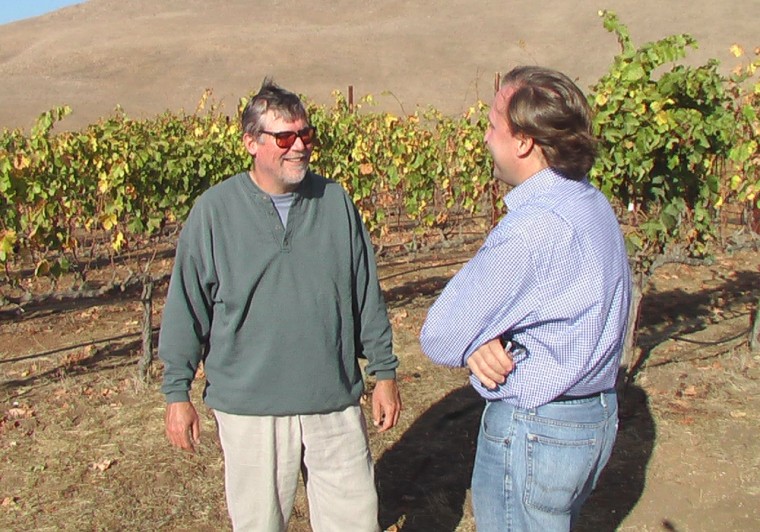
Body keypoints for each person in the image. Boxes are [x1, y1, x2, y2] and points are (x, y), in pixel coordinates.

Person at [158, 78, 402, 532]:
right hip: (250, 408)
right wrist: (177, 393)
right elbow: (186, 308)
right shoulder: (214, 212)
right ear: (250, 142)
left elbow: (365, 292)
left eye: (305, 135)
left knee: (356, 521)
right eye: (284, 137)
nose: (299, 148)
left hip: (333, 399)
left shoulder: (335, 203)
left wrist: (384, 372)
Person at [419, 66, 631, 531]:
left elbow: (439, 335)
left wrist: (473, 336)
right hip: (593, 419)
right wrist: (481, 336)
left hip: (538, 429)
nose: (486, 136)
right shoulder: (589, 202)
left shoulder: (533, 228)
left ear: (523, 143)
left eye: (494, 125)